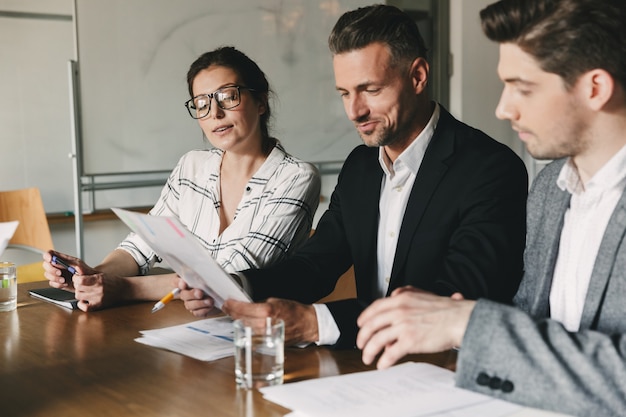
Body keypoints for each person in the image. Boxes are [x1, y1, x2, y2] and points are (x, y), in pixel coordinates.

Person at [182, 5, 528, 348]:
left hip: (449, 371)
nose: (355, 111)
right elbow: (315, 265)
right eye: (345, 93)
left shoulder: (492, 169)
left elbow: (456, 297)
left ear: (418, 76)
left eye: (371, 90)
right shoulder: (361, 166)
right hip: (366, 364)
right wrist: (237, 285)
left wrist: (314, 323)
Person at [356, 1, 626, 416]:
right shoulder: (550, 191)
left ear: (595, 88)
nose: (503, 108)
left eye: (523, 87)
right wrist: (443, 320)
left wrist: (465, 323)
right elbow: (530, 325)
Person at [42, 46, 321, 312]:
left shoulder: (295, 177)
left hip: (260, 336)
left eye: (228, 96)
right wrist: (91, 277)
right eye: (202, 103)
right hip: (187, 324)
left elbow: (226, 279)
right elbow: (141, 245)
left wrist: (124, 289)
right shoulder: (192, 166)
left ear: (260, 101)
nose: (215, 113)